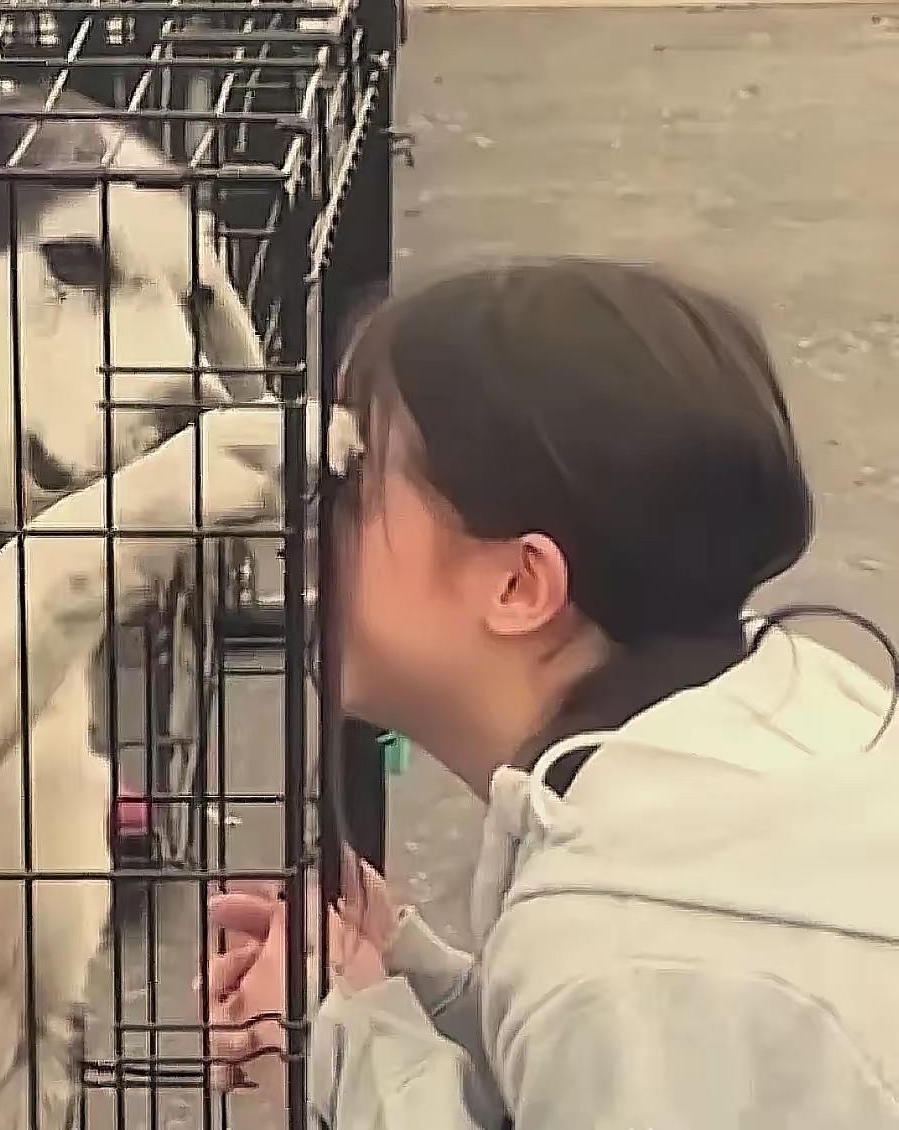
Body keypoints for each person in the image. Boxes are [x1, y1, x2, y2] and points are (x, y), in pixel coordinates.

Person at [203, 259, 899, 1129]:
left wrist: (343, 1052)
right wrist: (411, 988)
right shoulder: (774, 714)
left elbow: (628, 995)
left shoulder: (624, 947)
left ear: (519, 585)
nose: (307, 528)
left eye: (355, 487)